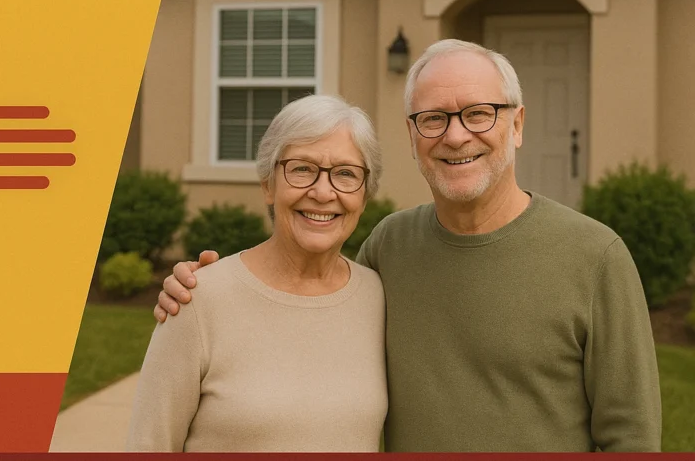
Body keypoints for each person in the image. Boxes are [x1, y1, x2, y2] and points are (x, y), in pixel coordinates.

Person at [154, 39, 662, 452]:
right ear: (413, 135)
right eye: (434, 118)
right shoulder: (390, 247)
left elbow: (631, 438)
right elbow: (307, 304)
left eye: (478, 113)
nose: (456, 136)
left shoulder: (595, 257)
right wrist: (207, 291)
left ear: (518, 124)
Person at [125, 95, 388, 452]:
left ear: (364, 195)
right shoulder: (197, 300)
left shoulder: (379, 297)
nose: (323, 192)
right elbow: (148, 446)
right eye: (301, 169)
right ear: (268, 184)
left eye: (345, 174)